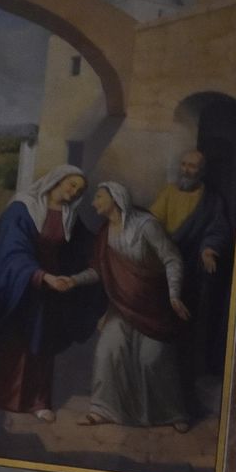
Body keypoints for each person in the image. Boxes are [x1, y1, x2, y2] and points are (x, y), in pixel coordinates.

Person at [66, 181, 192, 430]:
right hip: (122, 308)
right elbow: (98, 271)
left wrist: (174, 296)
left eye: (99, 197)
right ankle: (102, 409)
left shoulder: (146, 226)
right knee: (107, 351)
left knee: (151, 360)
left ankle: (172, 413)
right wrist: (72, 280)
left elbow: (172, 259)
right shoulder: (105, 234)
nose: (94, 203)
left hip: (154, 308)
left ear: (115, 198)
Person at [0, 163, 92, 422]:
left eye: (80, 190)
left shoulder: (71, 217)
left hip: (50, 292)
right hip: (21, 286)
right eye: (71, 185)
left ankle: (38, 401)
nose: (74, 192)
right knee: (13, 340)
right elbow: (11, 253)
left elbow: (83, 251)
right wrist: (41, 276)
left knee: (42, 344)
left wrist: (71, 278)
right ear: (57, 180)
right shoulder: (22, 209)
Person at [150, 148, 232, 400]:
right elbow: (153, 224)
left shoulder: (211, 200)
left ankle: (183, 383)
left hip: (193, 272)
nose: (186, 169)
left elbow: (217, 229)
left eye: (192, 166)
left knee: (187, 328)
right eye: (184, 164)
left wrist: (209, 250)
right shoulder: (168, 192)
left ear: (201, 171)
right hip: (165, 264)